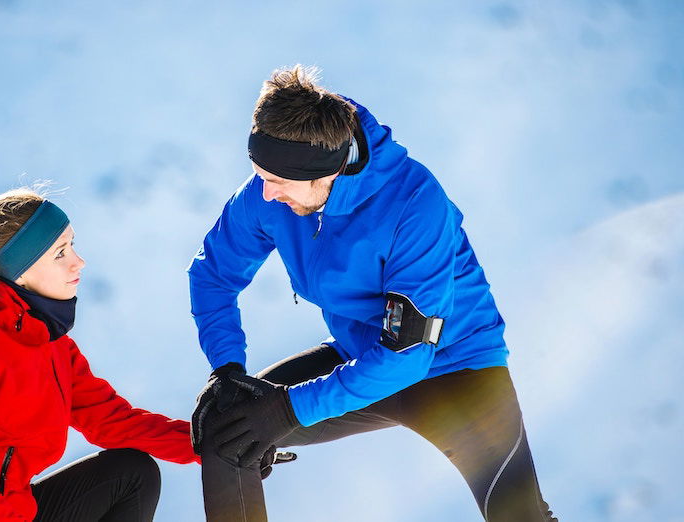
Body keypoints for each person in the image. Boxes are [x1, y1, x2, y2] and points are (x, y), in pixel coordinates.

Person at [188, 66, 557, 521]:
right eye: (259, 174)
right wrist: (226, 369)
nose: (265, 193)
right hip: (358, 356)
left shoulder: (416, 204)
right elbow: (213, 275)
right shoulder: (268, 193)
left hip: (457, 372)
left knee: (519, 516)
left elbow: (407, 356)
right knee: (229, 431)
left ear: (324, 173)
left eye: (276, 179)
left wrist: (286, 410)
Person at [0, 188, 200, 521]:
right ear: (20, 270)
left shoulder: (49, 343)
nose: (78, 262)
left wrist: (208, 443)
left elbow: (110, 420)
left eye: (72, 245)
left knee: (132, 474)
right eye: (60, 253)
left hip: (10, 510)